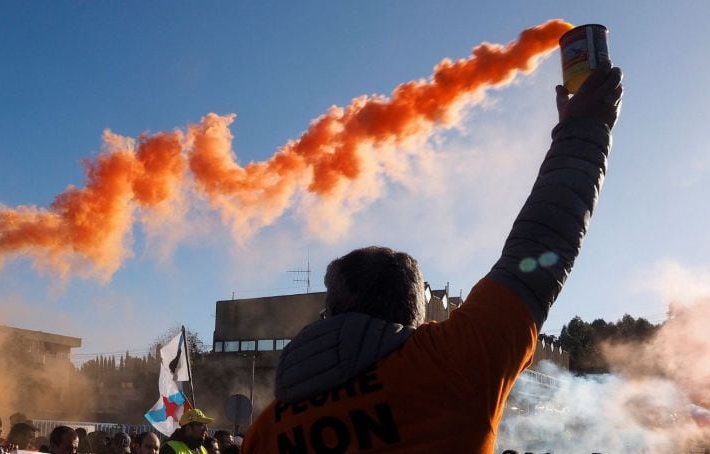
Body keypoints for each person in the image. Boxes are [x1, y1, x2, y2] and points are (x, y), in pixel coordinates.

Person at [241, 67, 624, 453]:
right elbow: (542, 239)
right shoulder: (454, 362)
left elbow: (540, 245)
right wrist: (586, 128)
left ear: (333, 309)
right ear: (415, 315)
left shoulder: (268, 430)